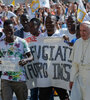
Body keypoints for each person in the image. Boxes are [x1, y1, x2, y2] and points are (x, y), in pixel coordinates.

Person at [0, 19, 33, 100]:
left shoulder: (22, 42)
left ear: (14, 29)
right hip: (5, 78)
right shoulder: (0, 43)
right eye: (6, 30)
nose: (9, 32)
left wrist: (26, 60)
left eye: (10, 30)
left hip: (20, 79)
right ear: (3, 30)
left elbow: (31, 56)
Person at [39, 14, 69, 100]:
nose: (48, 24)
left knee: (64, 97)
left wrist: (65, 41)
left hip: (58, 73)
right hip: (45, 74)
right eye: (46, 22)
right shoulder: (41, 37)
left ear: (56, 23)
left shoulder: (62, 36)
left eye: (51, 22)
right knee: (43, 97)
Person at [69, 21, 90, 100]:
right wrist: (71, 79)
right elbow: (74, 64)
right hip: (79, 78)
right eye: (80, 30)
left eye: (84, 30)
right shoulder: (77, 42)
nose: (82, 33)